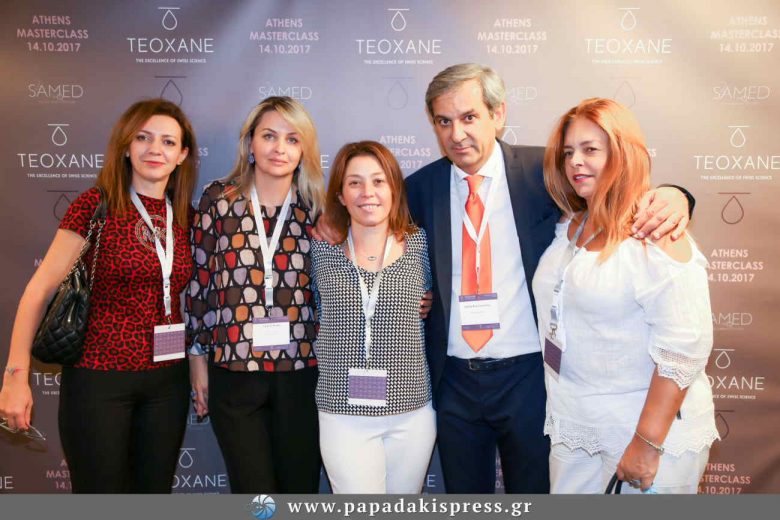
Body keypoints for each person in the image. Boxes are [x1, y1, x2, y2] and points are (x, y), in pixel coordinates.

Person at [403, 63, 694, 493]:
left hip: (530, 378)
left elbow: (618, 185)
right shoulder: (418, 188)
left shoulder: (547, 170)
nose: (457, 134)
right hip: (454, 380)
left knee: (538, 494)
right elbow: (373, 231)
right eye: (443, 122)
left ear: (498, 114)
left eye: (469, 117)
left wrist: (678, 195)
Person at [0, 99, 197, 493]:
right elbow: (38, 290)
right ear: (125, 147)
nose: (155, 149)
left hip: (167, 384)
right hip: (98, 381)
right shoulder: (95, 205)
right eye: (143, 138)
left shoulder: (185, 216)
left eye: (168, 142)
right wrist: (15, 378)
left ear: (182, 155)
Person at [532, 98, 717, 494]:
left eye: (590, 149)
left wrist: (646, 444)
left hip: (645, 435)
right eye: (568, 152)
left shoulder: (656, 233)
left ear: (622, 155)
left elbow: (684, 350)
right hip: (574, 427)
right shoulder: (570, 225)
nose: (575, 162)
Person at [186, 96, 325, 493]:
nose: (280, 148)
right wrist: (197, 360)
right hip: (234, 369)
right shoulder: (219, 199)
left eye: (292, 139)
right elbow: (199, 284)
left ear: (304, 150)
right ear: (250, 143)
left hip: (301, 371)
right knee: (254, 494)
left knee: (298, 488)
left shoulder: (316, 207)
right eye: (269, 136)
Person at [311, 141, 435, 493]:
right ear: (340, 194)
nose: (368, 192)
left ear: (394, 188)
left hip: (411, 412)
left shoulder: (421, 244)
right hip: (342, 412)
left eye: (379, 181)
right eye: (355, 183)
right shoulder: (320, 248)